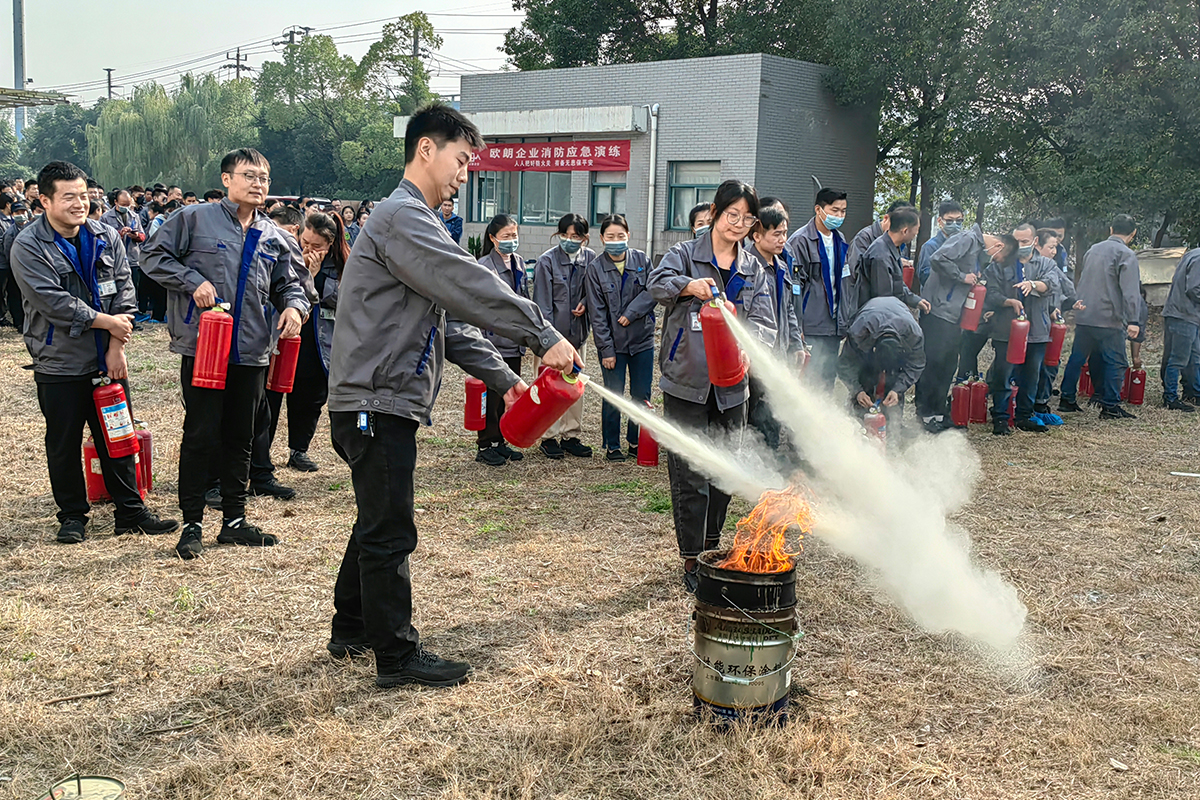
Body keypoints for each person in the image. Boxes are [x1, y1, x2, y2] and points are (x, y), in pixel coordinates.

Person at [325, 104, 579, 688]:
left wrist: (506, 380)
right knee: (390, 530)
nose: (465, 175)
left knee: (376, 517)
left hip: (382, 398)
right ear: (426, 150)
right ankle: (396, 657)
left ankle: (352, 626)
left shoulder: (413, 222)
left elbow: (450, 325)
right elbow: (469, 285)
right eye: (461, 160)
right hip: (375, 400)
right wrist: (542, 334)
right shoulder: (402, 217)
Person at [142, 147, 310, 560]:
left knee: (242, 435)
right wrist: (190, 280)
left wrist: (293, 307)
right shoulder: (194, 219)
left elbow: (293, 284)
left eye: (264, 178)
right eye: (249, 176)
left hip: (252, 350)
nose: (258, 184)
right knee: (200, 434)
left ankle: (234, 520)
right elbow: (152, 256)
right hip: (206, 347)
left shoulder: (274, 235)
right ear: (226, 180)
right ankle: (192, 523)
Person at [9, 161, 179, 544]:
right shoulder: (29, 245)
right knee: (64, 442)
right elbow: (53, 302)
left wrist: (116, 345)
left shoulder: (105, 235)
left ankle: (131, 512)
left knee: (118, 435)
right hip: (60, 361)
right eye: (68, 196)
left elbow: (125, 289)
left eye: (83, 196)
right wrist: (107, 323)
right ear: (45, 201)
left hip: (108, 360)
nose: (79, 204)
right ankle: (72, 516)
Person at [648, 179, 776, 593]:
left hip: (733, 386)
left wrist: (752, 350)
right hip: (687, 382)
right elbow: (656, 283)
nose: (738, 224)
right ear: (716, 213)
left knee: (724, 470)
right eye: (731, 214)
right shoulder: (685, 255)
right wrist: (688, 286)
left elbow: (766, 323)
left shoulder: (753, 268)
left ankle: (711, 547)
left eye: (747, 218)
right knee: (690, 473)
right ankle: (691, 556)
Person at [265, 210, 346, 472]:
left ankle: (298, 450)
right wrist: (304, 275)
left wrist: (316, 275)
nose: (309, 249)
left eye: (317, 246)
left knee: (310, 397)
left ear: (330, 244)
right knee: (271, 394)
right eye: (306, 242)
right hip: (284, 334)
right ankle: (261, 454)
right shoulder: (288, 255)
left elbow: (345, 300)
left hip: (319, 340)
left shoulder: (343, 264)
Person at [915, 224, 1002, 432]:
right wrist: (962, 276)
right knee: (934, 363)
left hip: (954, 315)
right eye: (999, 257)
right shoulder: (967, 239)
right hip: (938, 311)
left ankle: (939, 412)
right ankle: (925, 414)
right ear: (999, 245)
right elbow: (938, 258)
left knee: (948, 364)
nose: (995, 259)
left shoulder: (977, 249)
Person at [586, 214, 656, 461]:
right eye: (611, 236)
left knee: (641, 395)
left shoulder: (642, 260)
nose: (616, 241)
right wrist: (606, 350)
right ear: (602, 238)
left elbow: (654, 291)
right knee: (614, 394)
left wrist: (631, 313)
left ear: (628, 235)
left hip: (642, 340)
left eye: (620, 236)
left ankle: (635, 442)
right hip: (613, 344)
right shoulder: (595, 268)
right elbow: (597, 314)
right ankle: (612, 445)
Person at [1057, 214, 1141, 419]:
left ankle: (1066, 399)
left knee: (1077, 358)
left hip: (1085, 314)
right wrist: (1133, 320)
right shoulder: (1126, 254)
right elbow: (1130, 291)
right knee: (1116, 362)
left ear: (1111, 229)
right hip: (1109, 318)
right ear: (1133, 234)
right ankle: (1110, 405)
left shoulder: (1093, 249)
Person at [533, 213, 594, 459]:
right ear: (558, 235)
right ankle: (548, 436)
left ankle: (571, 434)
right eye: (565, 235)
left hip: (578, 335)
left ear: (584, 238)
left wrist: (585, 302)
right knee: (549, 386)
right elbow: (542, 305)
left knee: (574, 385)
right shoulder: (546, 262)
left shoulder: (590, 259)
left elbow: (594, 291)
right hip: (551, 340)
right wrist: (550, 340)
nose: (570, 240)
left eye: (575, 236)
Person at [988, 225, 1057, 434]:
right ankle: (1000, 417)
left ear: (1035, 242)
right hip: (1006, 330)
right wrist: (1008, 301)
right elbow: (991, 292)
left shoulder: (1046, 264)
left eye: (1024, 242)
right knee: (1003, 373)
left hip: (1036, 329)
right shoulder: (1000, 263)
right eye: (1016, 241)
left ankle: (1024, 416)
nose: (1019, 246)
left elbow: (1051, 284)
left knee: (1031, 375)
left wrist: (1033, 285)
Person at [473, 213, 529, 466]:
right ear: (493, 238)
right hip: (493, 341)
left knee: (508, 395)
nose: (511, 240)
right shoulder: (484, 266)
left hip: (514, 341)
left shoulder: (519, 262)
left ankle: (501, 441)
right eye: (506, 236)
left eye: (514, 235)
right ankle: (485, 443)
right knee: (491, 396)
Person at [746, 205, 802, 449]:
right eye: (776, 234)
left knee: (774, 414)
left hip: (779, 354)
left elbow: (788, 309)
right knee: (755, 415)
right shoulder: (746, 267)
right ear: (757, 236)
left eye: (785, 233)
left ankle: (772, 457)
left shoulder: (781, 266)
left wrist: (796, 344)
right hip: (755, 357)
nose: (783, 240)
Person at [786, 188, 851, 389]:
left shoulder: (840, 239)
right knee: (808, 379)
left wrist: (844, 320)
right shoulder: (801, 241)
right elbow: (794, 288)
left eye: (843, 211)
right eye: (834, 210)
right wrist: (798, 327)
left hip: (833, 325)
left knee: (828, 378)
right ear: (818, 209)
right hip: (810, 325)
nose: (839, 216)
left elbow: (845, 282)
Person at [838, 296, 925, 432]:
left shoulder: (914, 334)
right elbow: (845, 364)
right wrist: (857, 391)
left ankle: (892, 427)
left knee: (894, 383)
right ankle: (858, 424)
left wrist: (897, 390)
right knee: (865, 374)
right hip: (870, 321)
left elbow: (916, 365)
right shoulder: (859, 331)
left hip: (897, 317)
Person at [1033, 228, 1081, 414]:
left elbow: (1065, 289)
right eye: (1051, 247)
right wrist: (1052, 309)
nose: (1054, 252)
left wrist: (1071, 303)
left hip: (1051, 325)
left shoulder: (1052, 266)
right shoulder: (1032, 267)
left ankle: (1042, 403)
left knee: (1051, 363)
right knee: (1037, 366)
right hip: (1037, 325)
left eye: (1056, 248)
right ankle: (1033, 405)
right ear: (1037, 245)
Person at [856, 206, 929, 314]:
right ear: (905, 231)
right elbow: (882, 299)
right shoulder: (880, 255)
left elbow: (897, 284)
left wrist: (915, 300)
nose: (916, 233)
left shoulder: (892, 247)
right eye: (916, 229)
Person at [1160, 247, 1200, 411]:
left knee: (1194, 357)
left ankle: (1193, 392)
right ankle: (1170, 398)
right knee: (1178, 359)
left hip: (1182, 313)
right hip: (1185, 314)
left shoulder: (1193, 254)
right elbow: (1194, 288)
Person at [100, 190, 148, 322]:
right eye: (123, 204)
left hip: (133, 258)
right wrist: (119, 234)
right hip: (114, 259)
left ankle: (133, 315)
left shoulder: (134, 216)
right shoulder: (106, 217)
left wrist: (135, 235)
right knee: (118, 288)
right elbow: (103, 238)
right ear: (116, 202)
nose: (125, 207)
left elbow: (142, 236)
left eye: (128, 204)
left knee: (133, 287)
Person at [848, 200, 914, 272]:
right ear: (886, 218)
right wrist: (894, 263)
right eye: (896, 224)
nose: (898, 230)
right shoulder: (864, 238)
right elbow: (857, 270)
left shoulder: (901, 243)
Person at [916, 200, 965, 286]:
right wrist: (955, 275)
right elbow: (925, 277)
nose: (954, 224)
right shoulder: (930, 247)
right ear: (939, 221)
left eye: (958, 221)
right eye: (949, 221)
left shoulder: (965, 245)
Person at [1, 201, 33, 331]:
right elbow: (8, 253)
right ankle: (19, 322)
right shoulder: (10, 233)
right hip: (15, 269)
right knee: (16, 296)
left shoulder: (31, 228)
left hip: (30, 268)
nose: (21, 214)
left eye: (23, 211)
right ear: (12, 215)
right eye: (17, 212)